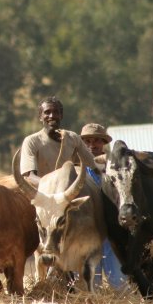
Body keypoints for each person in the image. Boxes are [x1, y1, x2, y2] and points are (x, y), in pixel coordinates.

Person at [80, 123, 127, 289]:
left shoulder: (113, 168)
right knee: (93, 280)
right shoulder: (78, 171)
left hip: (111, 228)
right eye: (88, 141)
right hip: (89, 230)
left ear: (103, 143)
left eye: (97, 141)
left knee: (118, 280)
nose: (92, 145)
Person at [20, 96, 97, 186]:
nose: (52, 116)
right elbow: (30, 176)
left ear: (61, 115)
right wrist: (52, 186)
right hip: (43, 194)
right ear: (40, 117)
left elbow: (93, 165)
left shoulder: (73, 138)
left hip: (69, 192)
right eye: (47, 112)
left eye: (56, 112)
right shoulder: (31, 141)